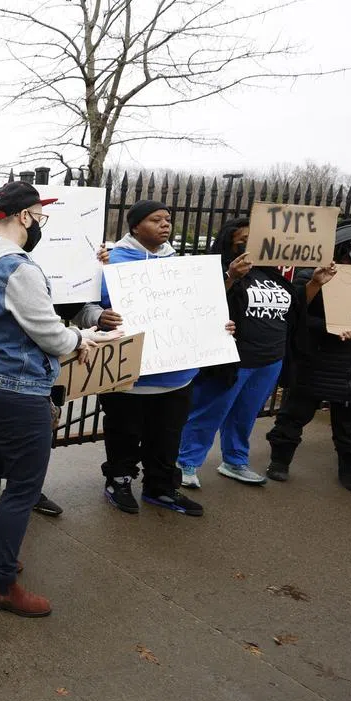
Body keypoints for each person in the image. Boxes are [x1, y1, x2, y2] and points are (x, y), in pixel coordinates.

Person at [0, 181, 114, 617]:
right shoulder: (18, 268)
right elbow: (50, 335)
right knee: (23, 487)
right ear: (22, 217)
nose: (40, 223)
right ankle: (1, 583)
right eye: (39, 216)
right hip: (19, 390)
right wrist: (79, 338)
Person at [88, 200, 237, 517]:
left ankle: (161, 488)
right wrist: (101, 316)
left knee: (167, 437)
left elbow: (199, 308)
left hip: (176, 376)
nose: (165, 224)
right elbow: (84, 307)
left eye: (167, 219)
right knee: (124, 434)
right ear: (135, 227)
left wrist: (217, 324)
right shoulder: (109, 261)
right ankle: (119, 481)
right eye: (156, 219)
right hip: (128, 376)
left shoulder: (181, 265)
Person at [176, 218, 327, 488]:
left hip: (269, 359)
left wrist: (315, 283)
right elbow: (202, 303)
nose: (248, 244)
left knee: (245, 415)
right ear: (229, 243)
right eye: (241, 240)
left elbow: (295, 308)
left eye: (253, 239)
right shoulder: (219, 270)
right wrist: (231, 276)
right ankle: (186, 462)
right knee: (209, 412)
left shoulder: (272, 274)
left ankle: (234, 460)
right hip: (233, 359)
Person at [266, 217, 351, 493]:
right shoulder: (313, 273)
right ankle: (280, 462)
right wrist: (330, 327)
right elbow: (296, 314)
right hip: (317, 360)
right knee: (293, 415)